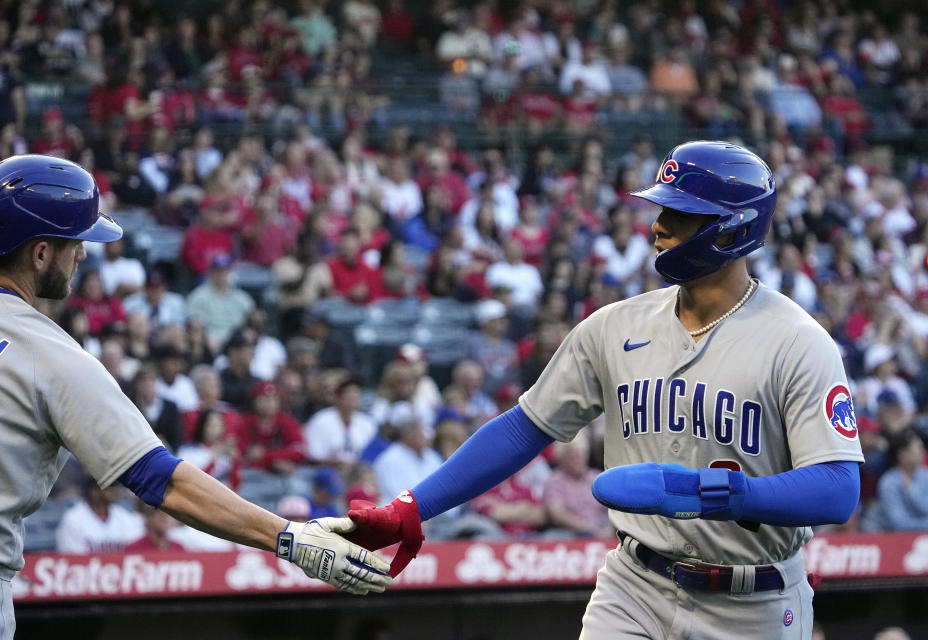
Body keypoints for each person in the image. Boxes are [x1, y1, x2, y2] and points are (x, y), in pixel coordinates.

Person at [341, 142, 863, 633]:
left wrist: (711, 495)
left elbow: (839, 489)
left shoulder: (797, 341)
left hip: (755, 602)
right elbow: (525, 429)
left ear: (732, 228)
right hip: (636, 584)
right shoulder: (613, 327)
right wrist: (412, 506)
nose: (658, 227)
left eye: (679, 214)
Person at [0, 156, 391, 640]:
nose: (83, 255)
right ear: (40, 253)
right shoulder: (53, 356)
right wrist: (290, 537)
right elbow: (162, 481)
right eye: (75, 244)